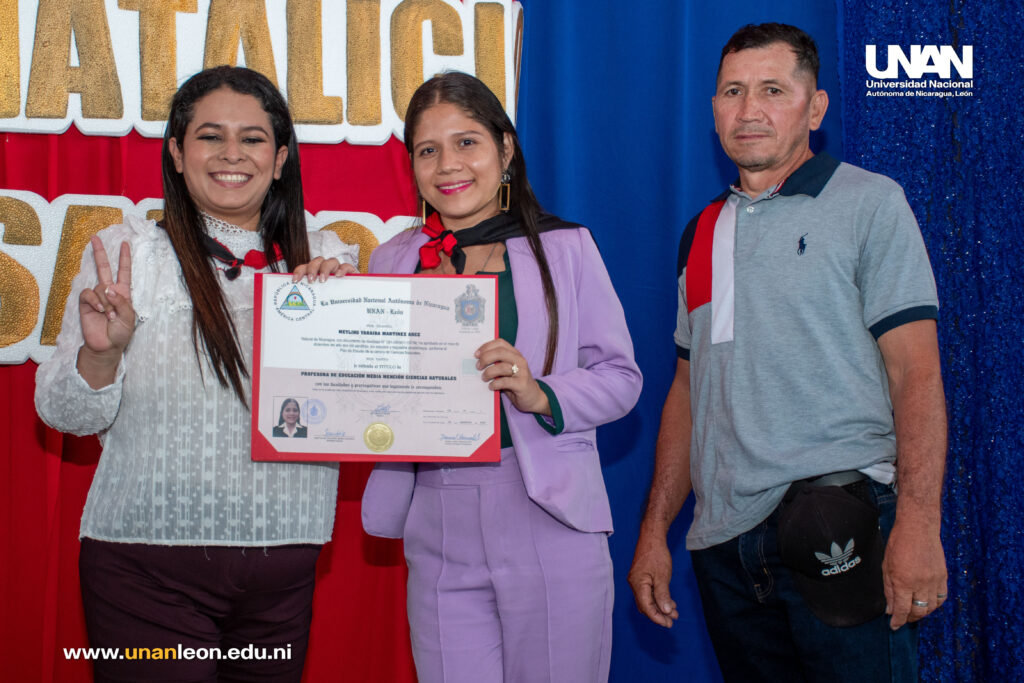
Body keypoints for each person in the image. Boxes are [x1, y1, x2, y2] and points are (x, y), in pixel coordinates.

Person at [628, 23, 947, 683]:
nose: (749, 109)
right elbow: (688, 390)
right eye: (732, 91)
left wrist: (919, 524)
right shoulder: (701, 232)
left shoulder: (870, 203)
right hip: (725, 551)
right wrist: (654, 530)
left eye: (773, 89)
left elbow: (915, 372)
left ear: (815, 107)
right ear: (714, 109)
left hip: (841, 523)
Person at [34, 66, 357, 683]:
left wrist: (356, 325)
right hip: (144, 572)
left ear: (280, 159)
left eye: (253, 138)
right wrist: (101, 354)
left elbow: (361, 414)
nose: (232, 153)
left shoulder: (327, 260)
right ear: (178, 154)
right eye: (210, 136)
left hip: (284, 572)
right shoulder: (129, 254)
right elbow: (64, 416)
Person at [358, 72, 642, 683]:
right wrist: (322, 301)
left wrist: (542, 392)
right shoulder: (392, 259)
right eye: (427, 150)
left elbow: (621, 376)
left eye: (467, 142)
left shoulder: (566, 247)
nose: (447, 165)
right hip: (436, 518)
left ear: (505, 149)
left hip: (547, 512)